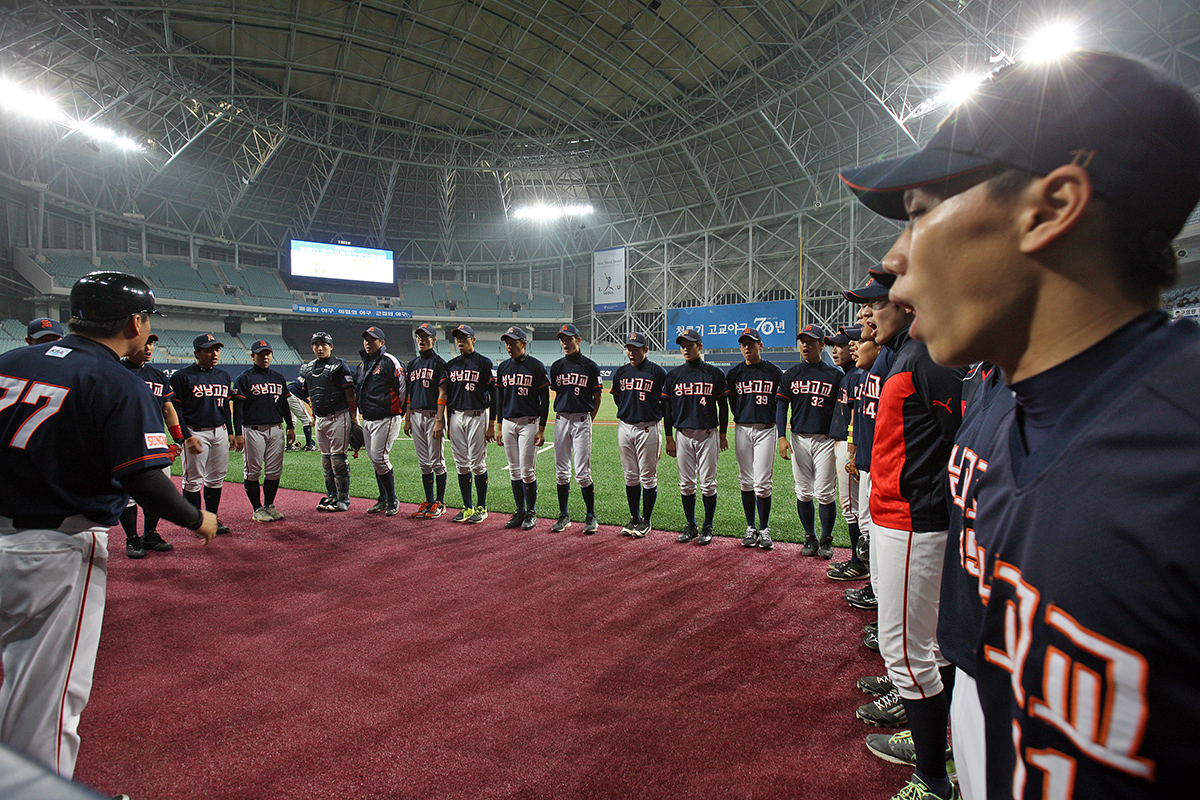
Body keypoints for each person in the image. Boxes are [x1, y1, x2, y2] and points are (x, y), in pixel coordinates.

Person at [840, 50, 1200, 800]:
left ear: (1049, 209)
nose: (897, 261)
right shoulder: (996, 401)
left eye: (918, 212)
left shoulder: (1179, 447)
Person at [0, 271, 217, 779]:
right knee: (46, 702)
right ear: (136, 322)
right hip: (53, 548)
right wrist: (196, 517)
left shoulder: (9, 362)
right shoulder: (117, 380)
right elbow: (145, 481)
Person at [776, 324, 843, 558]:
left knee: (825, 494)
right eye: (803, 341)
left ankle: (826, 539)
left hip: (825, 439)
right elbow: (782, 405)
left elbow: (841, 410)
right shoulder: (792, 374)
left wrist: (839, 437)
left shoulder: (835, 375)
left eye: (811, 341)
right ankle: (810, 537)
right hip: (799, 438)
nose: (806, 345)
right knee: (803, 492)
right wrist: (781, 437)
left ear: (821, 344)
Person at [119, 333, 185, 557]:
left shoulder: (158, 375)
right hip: (127, 440)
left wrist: (178, 438)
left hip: (155, 441)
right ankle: (131, 537)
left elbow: (168, 408)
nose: (148, 348)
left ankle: (150, 534)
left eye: (151, 343)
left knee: (156, 493)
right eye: (145, 342)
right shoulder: (117, 371)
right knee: (128, 494)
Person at [662, 328, 728, 545]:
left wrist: (724, 433)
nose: (685, 348)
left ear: (699, 346)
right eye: (682, 345)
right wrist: (669, 437)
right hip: (682, 435)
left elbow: (723, 406)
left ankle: (708, 526)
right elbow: (667, 409)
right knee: (686, 484)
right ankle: (691, 525)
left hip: (708, 434)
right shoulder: (673, 376)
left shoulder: (714, 374)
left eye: (689, 345)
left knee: (708, 483)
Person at [169, 333, 234, 535]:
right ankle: (196, 521)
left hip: (220, 431)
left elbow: (225, 408)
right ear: (197, 353)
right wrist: (185, 436)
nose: (214, 353)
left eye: (217, 349)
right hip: (195, 433)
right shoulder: (182, 376)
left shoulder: (223, 375)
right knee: (193, 480)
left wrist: (230, 431)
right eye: (208, 350)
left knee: (216, 478)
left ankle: (212, 519)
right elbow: (175, 409)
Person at [725, 327, 783, 550]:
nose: (747, 347)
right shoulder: (734, 374)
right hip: (742, 428)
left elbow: (780, 404)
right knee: (746, 480)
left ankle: (764, 528)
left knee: (762, 483)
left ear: (760, 345)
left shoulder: (774, 372)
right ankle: (751, 527)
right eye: (743, 344)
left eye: (751, 343)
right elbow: (732, 403)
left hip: (766, 429)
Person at [293, 332, 358, 512]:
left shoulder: (339, 365)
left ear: (331, 346)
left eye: (324, 344)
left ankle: (343, 498)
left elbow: (349, 393)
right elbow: (298, 388)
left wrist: (354, 419)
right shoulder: (308, 368)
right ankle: (331, 495)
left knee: (338, 460)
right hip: (321, 419)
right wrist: (312, 406)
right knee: (326, 460)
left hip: (338, 415)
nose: (320, 348)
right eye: (316, 344)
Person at [609, 332, 666, 538]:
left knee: (648, 477)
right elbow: (618, 399)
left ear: (645, 350)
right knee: (631, 476)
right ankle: (634, 518)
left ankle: (646, 520)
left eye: (636, 348)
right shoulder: (621, 372)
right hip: (625, 426)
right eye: (629, 348)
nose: (631, 352)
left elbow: (665, 402)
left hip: (648, 427)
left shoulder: (657, 372)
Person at [231, 340, 295, 522]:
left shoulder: (278, 377)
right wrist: (238, 433)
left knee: (274, 471)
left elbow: (284, 404)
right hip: (252, 430)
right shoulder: (244, 378)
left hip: (276, 428)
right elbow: (238, 408)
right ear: (252, 356)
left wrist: (290, 426)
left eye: (267, 353)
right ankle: (257, 508)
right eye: (260, 354)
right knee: (253, 471)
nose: (265, 357)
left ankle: (269, 505)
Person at [494, 326, 550, 531]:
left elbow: (545, 399)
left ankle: (531, 511)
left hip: (529, 422)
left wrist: (542, 429)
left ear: (524, 344)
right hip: (508, 422)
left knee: (527, 470)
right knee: (514, 470)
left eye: (513, 342)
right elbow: (499, 398)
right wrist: (499, 426)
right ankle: (519, 510)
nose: (509, 346)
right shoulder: (503, 367)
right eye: (507, 343)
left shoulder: (536, 366)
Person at [548, 324, 602, 533]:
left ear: (578, 340)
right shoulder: (557, 366)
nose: (565, 343)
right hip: (561, 419)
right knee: (561, 472)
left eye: (568, 339)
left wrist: (590, 419)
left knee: (582, 473)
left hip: (581, 420)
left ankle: (591, 515)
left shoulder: (590, 366)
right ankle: (564, 516)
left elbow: (597, 397)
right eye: (562, 339)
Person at [825, 327, 867, 580]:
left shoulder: (855, 376)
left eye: (841, 345)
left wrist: (851, 452)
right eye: (836, 346)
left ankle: (860, 563)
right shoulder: (850, 374)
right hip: (845, 445)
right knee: (854, 508)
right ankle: (857, 559)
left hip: (848, 447)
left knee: (853, 508)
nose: (836, 350)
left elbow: (856, 417)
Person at [444, 324, 495, 523]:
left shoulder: (483, 363)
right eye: (457, 338)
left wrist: (492, 423)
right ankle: (467, 507)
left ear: (473, 340)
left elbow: (494, 392)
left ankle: (481, 507)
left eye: (464, 338)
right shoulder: (451, 365)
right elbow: (448, 396)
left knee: (477, 463)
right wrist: (448, 419)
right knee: (461, 464)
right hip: (456, 416)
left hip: (477, 415)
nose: (459, 341)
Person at [355, 326, 407, 517]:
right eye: (366, 340)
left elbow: (402, 387)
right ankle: (383, 499)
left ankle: (392, 498)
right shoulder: (362, 365)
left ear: (382, 342)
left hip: (386, 417)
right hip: (368, 418)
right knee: (374, 460)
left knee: (379, 458)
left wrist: (398, 411)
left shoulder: (389, 361)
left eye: (373, 340)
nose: (368, 343)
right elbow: (358, 390)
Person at [405, 322, 448, 519]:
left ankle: (440, 502)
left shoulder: (439, 363)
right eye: (419, 336)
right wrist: (407, 419)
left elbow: (442, 392)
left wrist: (440, 420)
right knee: (424, 463)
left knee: (437, 461)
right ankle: (429, 501)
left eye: (425, 336)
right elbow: (408, 394)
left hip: (432, 416)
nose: (421, 340)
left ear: (434, 340)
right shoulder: (412, 364)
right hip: (415, 415)